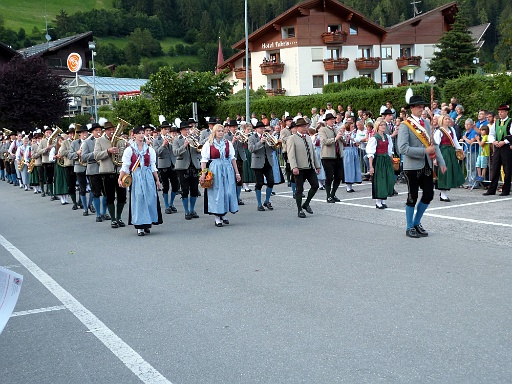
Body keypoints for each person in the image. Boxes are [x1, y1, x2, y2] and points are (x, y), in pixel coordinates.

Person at [398, 94, 446, 238]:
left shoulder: (426, 123)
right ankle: (409, 226)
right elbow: (403, 148)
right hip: (412, 166)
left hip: (426, 165)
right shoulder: (405, 125)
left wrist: (441, 161)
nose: (421, 109)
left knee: (428, 195)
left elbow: (434, 145)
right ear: (411, 108)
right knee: (412, 196)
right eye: (418, 106)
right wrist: (424, 151)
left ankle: (416, 222)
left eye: (422, 106)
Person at [119, 125, 163, 236]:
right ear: (134, 135)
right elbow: (125, 166)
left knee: (150, 198)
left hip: (147, 175)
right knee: (138, 199)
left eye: (142, 133)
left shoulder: (149, 149)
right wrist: (120, 178)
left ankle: (147, 223)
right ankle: (139, 226)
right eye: (139, 133)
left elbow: (153, 165)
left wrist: (157, 180)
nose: (141, 135)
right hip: (136, 176)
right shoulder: (129, 150)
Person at [200, 124, 240, 226]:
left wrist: (237, 173)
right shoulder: (209, 144)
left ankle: (224, 213)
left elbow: (232, 158)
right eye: (219, 131)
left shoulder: (228, 143)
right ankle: (217, 216)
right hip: (215, 169)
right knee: (217, 193)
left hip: (227, 169)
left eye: (222, 131)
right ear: (214, 132)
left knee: (228, 192)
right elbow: (204, 160)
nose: (221, 133)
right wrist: (203, 174)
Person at [94, 121, 127, 227]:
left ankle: (119, 217)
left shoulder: (120, 141)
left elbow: (125, 155)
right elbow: (96, 155)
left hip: (120, 172)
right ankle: (113, 219)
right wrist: (108, 151)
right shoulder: (99, 140)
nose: (112, 132)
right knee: (110, 197)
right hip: (107, 172)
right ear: (105, 131)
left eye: (113, 129)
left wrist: (125, 149)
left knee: (122, 196)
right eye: (109, 130)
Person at [287, 118, 320, 218]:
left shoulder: (308, 137)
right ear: (297, 127)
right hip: (299, 168)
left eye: (306, 126)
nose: (305, 128)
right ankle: (299, 209)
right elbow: (291, 154)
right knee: (299, 189)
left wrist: (317, 165)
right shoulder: (292, 138)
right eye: (303, 126)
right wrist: (294, 167)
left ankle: (306, 204)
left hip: (309, 167)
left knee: (315, 185)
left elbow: (313, 153)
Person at [172, 121, 201, 219]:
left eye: (188, 129)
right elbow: (176, 152)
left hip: (194, 166)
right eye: (185, 130)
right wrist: (184, 145)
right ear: (181, 131)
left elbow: (199, 150)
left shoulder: (194, 138)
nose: (187, 131)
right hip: (182, 167)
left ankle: (192, 210)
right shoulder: (176, 140)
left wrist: (197, 147)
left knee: (194, 190)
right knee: (185, 190)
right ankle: (186, 211)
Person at [434, 115, 465, 201]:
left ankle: (443, 193)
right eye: (446, 119)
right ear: (442, 120)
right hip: (443, 152)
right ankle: (443, 194)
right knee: (444, 172)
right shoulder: (439, 131)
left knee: (450, 171)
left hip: (451, 152)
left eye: (448, 119)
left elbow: (455, 140)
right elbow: (436, 145)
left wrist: (460, 149)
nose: (448, 120)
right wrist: (435, 158)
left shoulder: (452, 129)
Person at [484, 104, 512, 196]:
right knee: (495, 168)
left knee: (507, 169)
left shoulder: (510, 122)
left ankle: (506, 190)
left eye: (502, 112)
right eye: (499, 112)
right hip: (497, 147)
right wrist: (494, 141)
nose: (500, 114)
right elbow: (491, 134)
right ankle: (491, 189)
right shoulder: (496, 123)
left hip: (506, 148)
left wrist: (504, 142)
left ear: (506, 112)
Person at [366, 120, 394, 209]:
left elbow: (390, 150)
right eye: (381, 125)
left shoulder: (387, 137)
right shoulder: (374, 138)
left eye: (384, 125)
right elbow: (370, 154)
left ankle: (383, 200)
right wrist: (371, 167)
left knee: (387, 178)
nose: (383, 126)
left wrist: (392, 160)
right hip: (378, 160)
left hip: (386, 160)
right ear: (377, 126)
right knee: (380, 179)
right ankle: (378, 201)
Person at [153, 120, 180, 214]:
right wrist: (163, 145)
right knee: (166, 186)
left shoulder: (173, 139)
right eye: (165, 129)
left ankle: (171, 203)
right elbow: (156, 153)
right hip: (163, 165)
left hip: (173, 163)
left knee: (175, 185)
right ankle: (167, 205)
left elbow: (176, 150)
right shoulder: (157, 140)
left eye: (168, 129)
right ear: (161, 130)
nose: (167, 131)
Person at [248, 121, 275, 211]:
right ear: (256, 129)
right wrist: (260, 142)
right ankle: (259, 204)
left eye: (263, 128)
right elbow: (251, 149)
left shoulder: (267, 136)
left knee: (271, 182)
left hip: (268, 161)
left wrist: (274, 143)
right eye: (260, 128)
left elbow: (273, 148)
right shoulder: (252, 137)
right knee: (259, 183)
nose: (262, 130)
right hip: (257, 163)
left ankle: (267, 201)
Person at [318, 112, 344, 202]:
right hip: (327, 156)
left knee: (339, 176)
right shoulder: (323, 130)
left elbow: (343, 141)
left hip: (338, 155)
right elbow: (324, 141)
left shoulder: (336, 129)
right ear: (327, 121)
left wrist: (342, 135)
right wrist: (335, 138)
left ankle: (333, 194)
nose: (333, 121)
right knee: (329, 177)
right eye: (331, 119)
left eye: (334, 119)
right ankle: (328, 195)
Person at [69, 124, 90, 215]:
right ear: (79, 134)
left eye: (86, 132)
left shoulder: (91, 141)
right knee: (82, 188)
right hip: (79, 166)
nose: (85, 134)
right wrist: (77, 153)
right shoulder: (74, 143)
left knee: (93, 188)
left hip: (90, 166)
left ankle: (90, 204)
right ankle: (85, 208)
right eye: (83, 133)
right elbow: (69, 155)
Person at [224, 120, 246, 205]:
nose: (235, 128)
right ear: (229, 128)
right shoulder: (226, 136)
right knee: (232, 179)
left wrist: (244, 139)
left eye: (236, 127)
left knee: (240, 179)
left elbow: (245, 145)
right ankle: (232, 198)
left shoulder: (239, 134)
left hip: (240, 158)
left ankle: (238, 197)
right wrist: (232, 141)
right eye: (233, 127)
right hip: (231, 159)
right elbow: (226, 149)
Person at [59, 125, 78, 209]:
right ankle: (74, 203)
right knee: (71, 185)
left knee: (82, 185)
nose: (72, 135)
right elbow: (62, 153)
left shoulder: (78, 141)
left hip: (79, 165)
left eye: (73, 133)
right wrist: (72, 151)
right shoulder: (65, 142)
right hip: (69, 165)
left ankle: (81, 201)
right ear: (68, 135)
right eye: (70, 134)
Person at [342, 121, 362, 192]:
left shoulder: (355, 134)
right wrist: (348, 137)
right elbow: (344, 142)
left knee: (354, 167)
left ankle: (352, 184)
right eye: (352, 126)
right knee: (348, 168)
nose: (354, 128)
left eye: (353, 126)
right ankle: (348, 186)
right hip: (347, 151)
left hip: (354, 150)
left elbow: (358, 141)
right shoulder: (344, 134)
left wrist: (353, 138)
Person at [37, 126, 55, 198]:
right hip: (46, 161)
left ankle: (54, 192)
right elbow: (38, 151)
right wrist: (46, 149)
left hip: (54, 160)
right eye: (47, 132)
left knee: (54, 177)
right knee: (49, 177)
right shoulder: (42, 141)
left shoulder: (54, 140)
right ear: (45, 133)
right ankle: (51, 193)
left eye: (50, 132)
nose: (49, 134)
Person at [53, 135, 69, 205]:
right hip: (59, 166)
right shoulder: (55, 148)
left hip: (65, 165)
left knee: (66, 181)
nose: (61, 142)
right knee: (60, 181)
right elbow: (51, 158)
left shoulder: (65, 148)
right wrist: (56, 156)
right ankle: (62, 198)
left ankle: (66, 198)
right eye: (60, 141)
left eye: (62, 141)